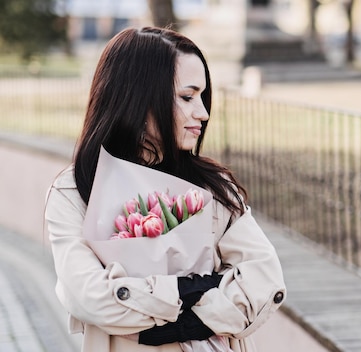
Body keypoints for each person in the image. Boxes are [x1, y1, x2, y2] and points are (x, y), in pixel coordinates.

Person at [44, 27, 286, 352]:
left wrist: (180, 319)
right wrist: (197, 290)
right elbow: (88, 296)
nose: (203, 113)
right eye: (187, 97)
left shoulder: (214, 186)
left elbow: (263, 279)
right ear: (139, 98)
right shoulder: (76, 191)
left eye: (202, 96)